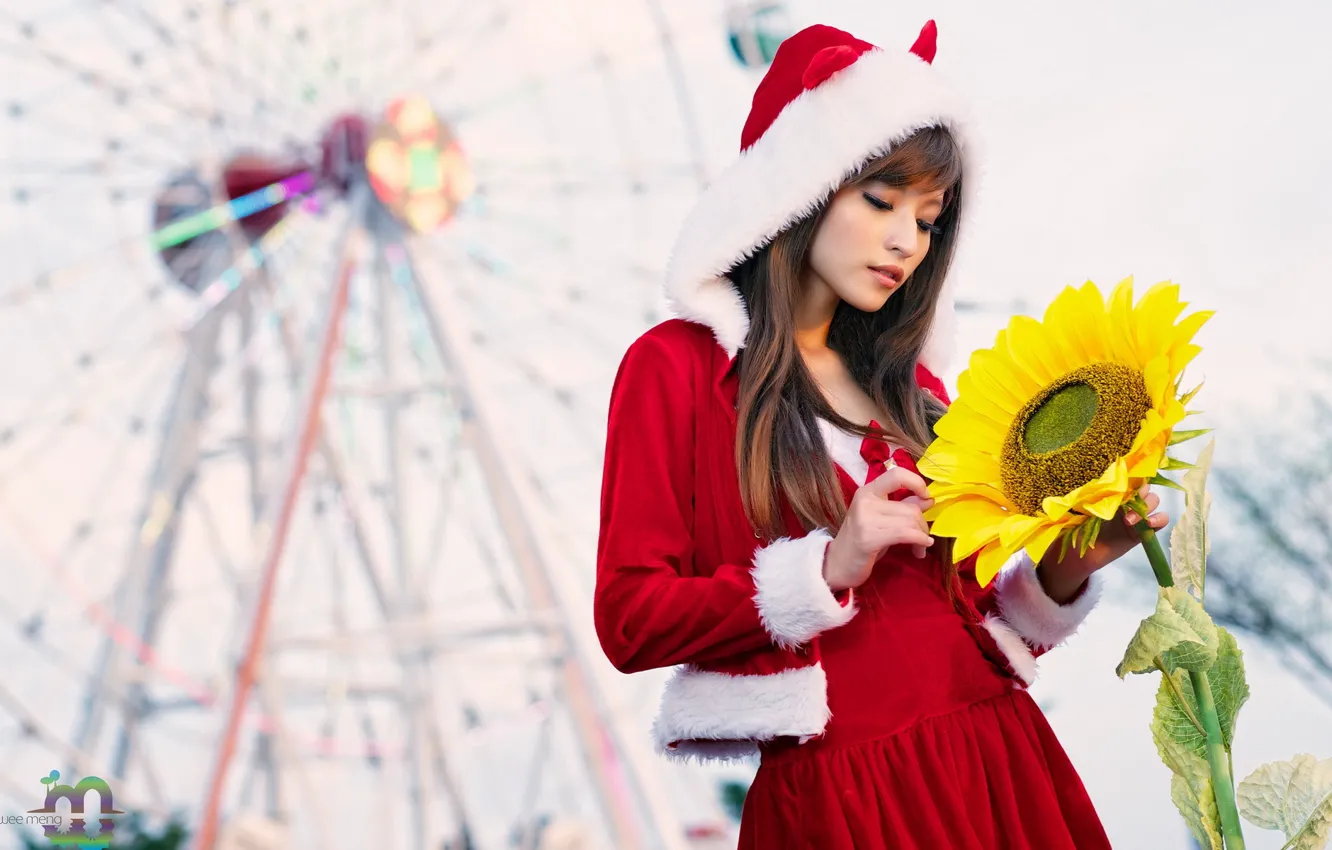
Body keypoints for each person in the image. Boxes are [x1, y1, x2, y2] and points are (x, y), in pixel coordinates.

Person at [593, 20, 1168, 849]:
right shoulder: (679, 367)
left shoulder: (917, 393)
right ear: (800, 186)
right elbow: (628, 615)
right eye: (881, 200)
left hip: (998, 759)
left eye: (930, 219)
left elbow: (975, 623)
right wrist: (827, 565)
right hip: (844, 797)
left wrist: (1071, 563)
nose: (907, 241)